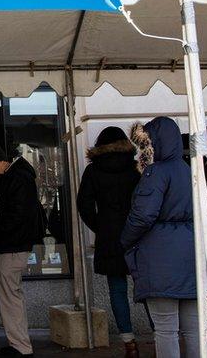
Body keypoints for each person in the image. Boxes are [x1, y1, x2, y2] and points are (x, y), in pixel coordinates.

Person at [120, 117, 197, 358]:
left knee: (165, 329)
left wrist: (125, 240)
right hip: (191, 252)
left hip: (160, 257)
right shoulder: (188, 168)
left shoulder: (156, 172)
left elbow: (143, 215)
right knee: (194, 328)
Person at [76, 127, 141, 357]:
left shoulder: (94, 171)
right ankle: (159, 332)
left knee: (117, 289)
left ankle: (129, 342)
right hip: (138, 235)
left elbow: (83, 205)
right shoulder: (135, 168)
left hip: (110, 238)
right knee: (148, 289)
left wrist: (101, 226)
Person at [0, 140, 42, 358]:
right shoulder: (17, 176)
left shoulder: (15, 179)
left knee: (10, 297)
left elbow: (16, 216)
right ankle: (19, 344)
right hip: (14, 245)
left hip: (11, 247)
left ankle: (20, 346)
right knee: (12, 296)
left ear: (3, 161)